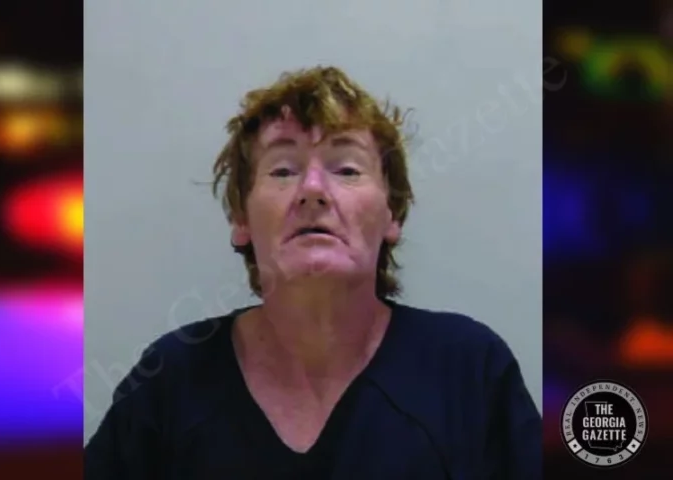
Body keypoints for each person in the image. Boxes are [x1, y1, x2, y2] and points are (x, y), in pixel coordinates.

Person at [84, 66, 541, 479]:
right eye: (283, 171)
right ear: (241, 219)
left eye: (347, 169)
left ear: (392, 215)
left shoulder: (468, 370)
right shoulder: (171, 380)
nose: (313, 190)